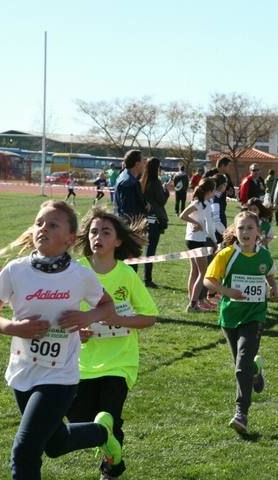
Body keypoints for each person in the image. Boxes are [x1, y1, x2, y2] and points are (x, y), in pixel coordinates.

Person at [0, 200, 121, 479]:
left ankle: (101, 432)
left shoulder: (80, 275)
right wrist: (12, 327)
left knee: (25, 450)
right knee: (55, 444)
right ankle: (102, 432)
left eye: (52, 224)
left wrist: (86, 318)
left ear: (69, 239)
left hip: (60, 376)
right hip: (22, 371)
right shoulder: (15, 270)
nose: (43, 228)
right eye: (39, 222)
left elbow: (107, 307)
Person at [68, 208, 157, 480]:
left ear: (118, 241)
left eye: (106, 232)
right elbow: (61, 313)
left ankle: (109, 471)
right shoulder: (75, 271)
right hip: (82, 362)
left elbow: (149, 317)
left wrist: (118, 319)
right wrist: (75, 332)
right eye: (94, 231)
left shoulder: (126, 276)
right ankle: (114, 460)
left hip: (120, 362)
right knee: (80, 421)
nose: (98, 237)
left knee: (109, 415)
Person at [203, 210, 278, 434]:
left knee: (240, 366)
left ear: (258, 233)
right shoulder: (226, 254)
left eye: (250, 228)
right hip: (230, 316)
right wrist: (227, 291)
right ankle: (255, 371)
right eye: (241, 228)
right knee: (243, 364)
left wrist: (273, 287)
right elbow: (209, 280)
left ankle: (241, 413)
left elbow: (270, 274)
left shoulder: (264, 255)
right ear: (234, 232)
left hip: (254, 315)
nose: (245, 232)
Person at [180, 178, 217, 312]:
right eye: (214, 189)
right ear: (210, 190)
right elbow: (182, 215)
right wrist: (197, 224)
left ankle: (192, 299)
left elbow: (208, 225)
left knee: (195, 271)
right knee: (203, 272)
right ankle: (193, 304)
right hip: (196, 241)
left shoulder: (205, 203)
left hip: (193, 239)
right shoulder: (200, 203)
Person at [140, 157, 170, 288]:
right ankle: (148, 278)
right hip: (155, 218)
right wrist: (166, 191)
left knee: (143, 248)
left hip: (144, 218)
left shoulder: (142, 181)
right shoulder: (155, 182)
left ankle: (145, 277)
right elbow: (161, 200)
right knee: (151, 249)